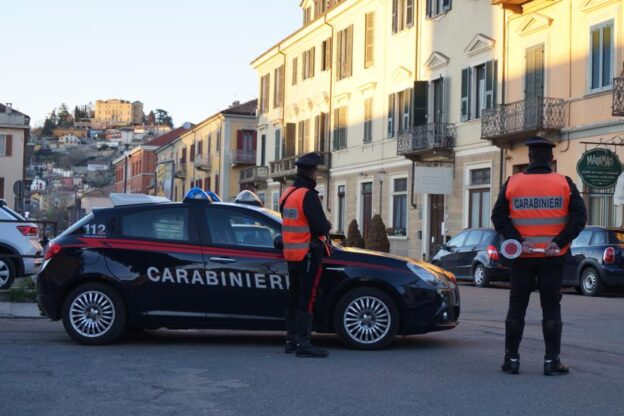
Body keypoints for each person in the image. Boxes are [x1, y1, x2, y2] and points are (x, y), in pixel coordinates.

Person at [491, 136, 586, 376]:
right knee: (551, 307)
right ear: (552, 160)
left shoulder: (513, 183)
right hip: (552, 257)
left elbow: (498, 217)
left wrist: (518, 241)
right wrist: (558, 242)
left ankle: (511, 360)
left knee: (517, 307)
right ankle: (551, 362)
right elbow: (579, 218)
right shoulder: (564, 183)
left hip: (522, 258)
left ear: (529, 158)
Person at [279, 152, 332, 358]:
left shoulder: (287, 194)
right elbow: (319, 227)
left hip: (291, 253)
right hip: (308, 255)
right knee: (307, 299)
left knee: (293, 297)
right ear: (312, 172)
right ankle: (304, 343)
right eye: (316, 171)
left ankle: (291, 340)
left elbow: (292, 223)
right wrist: (327, 225)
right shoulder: (307, 196)